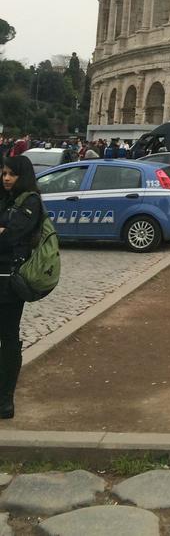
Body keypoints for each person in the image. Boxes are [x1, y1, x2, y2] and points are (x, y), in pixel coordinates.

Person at [0, 156, 44, 419]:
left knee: (8, 338)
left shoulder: (31, 201)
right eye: (4, 173)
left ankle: (5, 399)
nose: (6, 178)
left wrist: (5, 231)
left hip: (11, 281)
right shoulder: (5, 199)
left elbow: (12, 236)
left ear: (23, 176)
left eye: (12, 174)